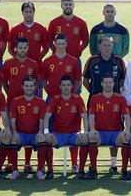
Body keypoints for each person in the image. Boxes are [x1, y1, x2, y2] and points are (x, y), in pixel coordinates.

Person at [83, 36, 126, 172]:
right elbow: (85, 80)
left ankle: (113, 164)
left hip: (114, 102)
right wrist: (95, 94)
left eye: (109, 45)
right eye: (104, 45)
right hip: (95, 101)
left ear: (112, 46)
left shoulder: (118, 61)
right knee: (92, 130)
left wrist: (113, 93)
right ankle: (92, 164)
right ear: (99, 46)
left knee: (115, 127)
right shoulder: (92, 61)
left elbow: (122, 81)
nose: (107, 48)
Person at [40, 34, 81, 172]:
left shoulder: (73, 61)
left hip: (70, 99)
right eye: (59, 43)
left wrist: (69, 95)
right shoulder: (47, 61)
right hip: (52, 99)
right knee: (50, 131)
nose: (61, 46)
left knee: (73, 128)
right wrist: (52, 93)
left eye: (63, 43)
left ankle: (75, 164)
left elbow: (77, 81)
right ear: (55, 44)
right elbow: (43, 81)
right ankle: (48, 165)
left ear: (66, 44)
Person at [0, 77, 46, 179]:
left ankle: (40, 170)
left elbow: (42, 120)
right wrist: (14, 132)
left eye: (31, 86)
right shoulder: (16, 101)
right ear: (23, 86)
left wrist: (41, 132)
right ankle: (15, 170)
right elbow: (13, 119)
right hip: (20, 134)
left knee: (42, 139)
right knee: (13, 140)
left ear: (35, 87)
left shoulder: (40, 102)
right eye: (27, 86)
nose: (29, 88)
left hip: (34, 134)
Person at [42, 75, 89, 180]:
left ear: (72, 86)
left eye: (68, 85)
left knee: (85, 140)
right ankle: (50, 170)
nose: (66, 87)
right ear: (60, 86)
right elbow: (47, 116)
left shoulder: (77, 98)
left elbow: (85, 117)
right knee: (46, 140)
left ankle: (80, 170)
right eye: (64, 85)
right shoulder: (55, 99)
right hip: (58, 134)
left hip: (74, 133)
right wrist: (46, 132)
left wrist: (85, 133)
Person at [87, 73, 131, 180]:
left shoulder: (120, 98)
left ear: (114, 83)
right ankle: (93, 169)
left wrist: (128, 130)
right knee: (91, 137)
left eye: (110, 82)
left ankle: (124, 170)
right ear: (101, 84)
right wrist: (92, 130)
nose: (108, 85)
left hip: (116, 133)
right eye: (105, 82)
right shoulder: (95, 98)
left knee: (126, 137)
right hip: (100, 133)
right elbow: (91, 117)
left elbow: (127, 116)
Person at [48, 0, 88, 93]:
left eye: (70, 4)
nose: (68, 6)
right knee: (57, 89)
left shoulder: (81, 22)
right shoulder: (54, 22)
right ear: (62, 5)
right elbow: (49, 40)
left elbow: (86, 40)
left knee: (75, 89)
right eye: (66, 4)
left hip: (75, 59)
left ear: (73, 5)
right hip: (57, 60)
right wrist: (56, 51)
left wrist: (79, 50)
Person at [8, 1, 49, 66]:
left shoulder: (42, 29)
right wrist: (20, 58)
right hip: (20, 65)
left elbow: (46, 48)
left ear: (34, 12)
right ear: (22, 13)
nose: (28, 14)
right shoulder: (15, 29)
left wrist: (38, 58)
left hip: (37, 64)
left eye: (30, 11)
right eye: (26, 12)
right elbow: (10, 49)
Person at [3, 37, 40, 105]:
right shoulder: (8, 63)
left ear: (28, 48)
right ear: (16, 48)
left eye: (24, 48)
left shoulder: (34, 64)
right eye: (20, 48)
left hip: (28, 101)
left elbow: (36, 82)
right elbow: (4, 81)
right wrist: (9, 93)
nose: (22, 50)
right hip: (12, 100)